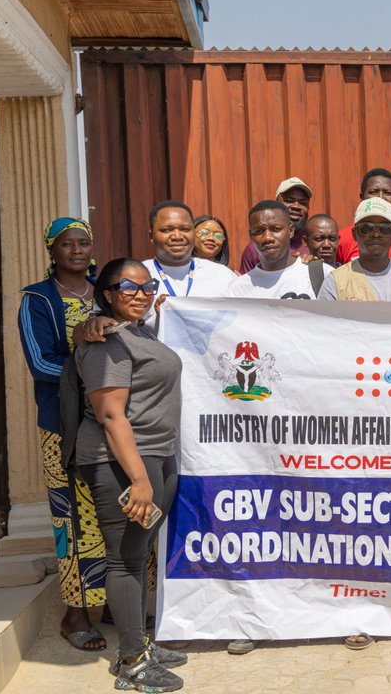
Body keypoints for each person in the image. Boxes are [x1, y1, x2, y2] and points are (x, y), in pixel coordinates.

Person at [75, 258, 185, 692]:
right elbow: (110, 415)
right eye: (127, 286)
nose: (139, 294)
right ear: (107, 293)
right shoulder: (106, 341)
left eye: (146, 286)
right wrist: (138, 479)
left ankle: (141, 643)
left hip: (155, 454)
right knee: (124, 559)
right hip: (121, 461)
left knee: (138, 555)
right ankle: (132, 663)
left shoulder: (135, 331)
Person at [17, 218, 109, 651]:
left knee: (116, 507)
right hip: (64, 426)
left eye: (84, 242)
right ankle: (76, 613)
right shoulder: (37, 298)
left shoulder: (108, 291)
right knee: (71, 515)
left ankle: (114, 601)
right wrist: (97, 379)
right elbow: (40, 362)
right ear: (51, 250)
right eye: (66, 244)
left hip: (114, 421)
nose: (76, 250)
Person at [320, 198, 391, 303]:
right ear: (354, 234)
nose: (376, 234)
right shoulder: (336, 281)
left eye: (385, 229)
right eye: (367, 228)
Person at [142, 201, 236, 322]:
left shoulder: (223, 275)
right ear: (151, 237)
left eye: (185, 229)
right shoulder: (139, 277)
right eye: (166, 230)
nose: (177, 236)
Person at [228, 201, 324, 299]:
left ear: (291, 231)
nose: (267, 238)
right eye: (258, 231)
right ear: (251, 235)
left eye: (275, 229)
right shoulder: (238, 290)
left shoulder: (321, 275)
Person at [238, 178, 313, 273]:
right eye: (289, 200)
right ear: (277, 203)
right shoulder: (256, 250)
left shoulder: (316, 242)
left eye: (303, 203)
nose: (296, 206)